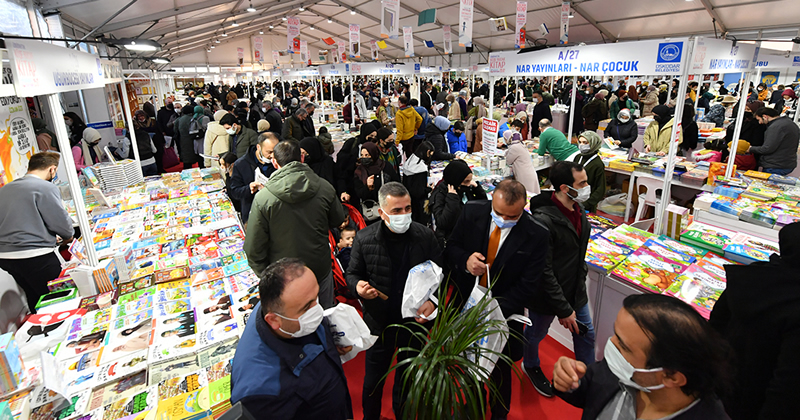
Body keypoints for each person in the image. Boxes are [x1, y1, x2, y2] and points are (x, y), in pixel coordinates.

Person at [445, 179, 549, 419]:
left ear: (524, 208)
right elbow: (452, 246)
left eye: (513, 217)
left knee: (500, 372)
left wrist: (490, 312)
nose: (504, 220)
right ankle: (471, 409)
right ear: (492, 201)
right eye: (499, 214)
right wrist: (465, 261)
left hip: (504, 315)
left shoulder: (537, 234)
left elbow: (529, 285)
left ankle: (499, 414)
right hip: (465, 305)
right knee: (468, 366)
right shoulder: (472, 211)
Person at [345, 182, 441, 420]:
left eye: (407, 208)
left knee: (407, 380)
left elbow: (441, 275)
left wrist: (433, 302)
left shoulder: (425, 236)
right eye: (397, 210)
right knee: (373, 382)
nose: (404, 215)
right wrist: (358, 287)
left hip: (414, 323)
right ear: (382, 212)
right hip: (379, 323)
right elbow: (352, 274)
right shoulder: (365, 238)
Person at [553, 294, 733, 420]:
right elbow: (589, 388)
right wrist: (568, 380)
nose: (611, 344)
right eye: (615, 334)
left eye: (623, 346)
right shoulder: (617, 372)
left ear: (671, 376)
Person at [230, 258, 353, 419]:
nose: (317, 309)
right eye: (307, 307)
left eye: (316, 297)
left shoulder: (283, 308)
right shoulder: (261, 390)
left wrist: (328, 348)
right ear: (274, 320)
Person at [709, 222, 800, 420]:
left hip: (727, 379)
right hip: (758, 397)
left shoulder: (753, 274)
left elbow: (716, 322)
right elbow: (786, 386)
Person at [243, 141, 345, 309]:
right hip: (318, 266)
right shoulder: (324, 187)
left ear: (275, 162)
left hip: (285, 276)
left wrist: (267, 276)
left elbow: (253, 248)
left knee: (293, 325)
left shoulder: (264, 198)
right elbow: (337, 219)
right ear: (302, 158)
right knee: (325, 317)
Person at [525, 161, 594, 397]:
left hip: (575, 291)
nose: (587, 187)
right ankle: (531, 364)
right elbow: (544, 271)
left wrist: (580, 281)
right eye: (582, 183)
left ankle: (588, 383)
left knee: (587, 334)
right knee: (536, 334)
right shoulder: (543, 221)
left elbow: (578, 252)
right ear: (565, 188)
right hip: (547, 296)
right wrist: (563, 309)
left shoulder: (578, 210)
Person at [0, 152, 74, 312]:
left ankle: (40, 328)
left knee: (34, 296)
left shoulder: (6, 189)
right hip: (36, 255)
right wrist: (68, 236)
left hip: (6, 256)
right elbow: (61, 223)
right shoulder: (44, 188)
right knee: (59, 297)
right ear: (52, 170)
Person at [429, 159, 487, 248]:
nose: (468, 184)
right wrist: (452, 199)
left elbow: (482, 206)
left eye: (470, 181)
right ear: (456, 180)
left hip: (469, 235)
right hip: (452, 241)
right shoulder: (440, 194)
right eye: (466, 181)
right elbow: (442, 222)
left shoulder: (465, 189)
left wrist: (477, 189)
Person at [229, 132, 279, 225]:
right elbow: (235, 192)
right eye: (269, 152)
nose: (272, 156)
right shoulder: (241, 164)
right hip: (252, 215)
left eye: (275, 152)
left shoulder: (279, 161)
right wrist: (249, 188)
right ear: (259, 147)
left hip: (275, 214)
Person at [749, 107, 800, 175]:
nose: (760, 122)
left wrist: (750, 149)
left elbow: (767, 148)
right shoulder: (789, 123)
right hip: (786, 162)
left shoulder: (775, 127)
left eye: (759, 119)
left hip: (775, 165)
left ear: (765, 117)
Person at [336, 124, 378, 205]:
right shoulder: (352, 144)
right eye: (371, 135)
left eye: (375, 136)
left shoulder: (373, 147)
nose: (373, 138)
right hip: (351, 183)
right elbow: (341, 169)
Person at [354, 142, 401, 209]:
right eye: (362, 155)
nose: (364, 158)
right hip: (370, 209)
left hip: (388, 205)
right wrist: (368, 187)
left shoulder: (385, 166)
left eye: (367, 155)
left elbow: (396, 184)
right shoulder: (359, 171)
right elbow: (359, 194)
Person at [571, 132, 605, 212]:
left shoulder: (597, 164)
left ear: (593, 143)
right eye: (580, 142)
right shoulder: (578, 157)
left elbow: (600, 189)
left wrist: (585, 204)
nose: (582, 145)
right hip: (572, 197)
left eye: (585, 142)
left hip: (587, 203)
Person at [401, 141, 434, 225]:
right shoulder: (421, 168)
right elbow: (419, 191)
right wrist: (429, 189)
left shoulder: (411, 159)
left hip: (408, 197)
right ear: (427, 152)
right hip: (419, 204)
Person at [504, 131, 540, 195]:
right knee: (532, 194)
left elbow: (508, 161)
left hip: (524, 175)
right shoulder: (521, 145)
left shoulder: (514, 147)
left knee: (526, 195)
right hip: (529, 172)